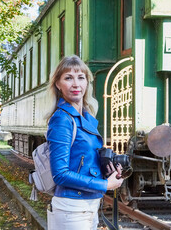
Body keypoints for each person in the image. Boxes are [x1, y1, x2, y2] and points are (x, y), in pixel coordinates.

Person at [45, 55, 124, 230]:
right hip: (71, 210)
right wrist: (104, 185)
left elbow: (82, 161)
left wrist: (107, 170)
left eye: (81, 78)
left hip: (88, 207)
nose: (76, 84)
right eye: (68, 78)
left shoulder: (87, 118)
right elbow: (60, 174)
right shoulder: (62, 119)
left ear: (87, 82)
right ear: (58, 84)